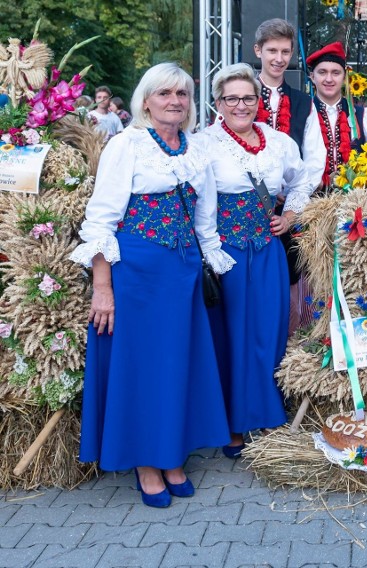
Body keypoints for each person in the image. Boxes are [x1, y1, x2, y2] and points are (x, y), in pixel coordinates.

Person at [70, 63, 233, 508]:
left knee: (176, 365)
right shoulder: (127, 145)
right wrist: (103, 287)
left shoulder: (197, 150)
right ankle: (147, 461)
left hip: (181, 274)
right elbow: (101, 220)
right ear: (145, 101)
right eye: (164, 93)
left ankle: (172, 453)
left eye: (181, 94)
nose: (174, 101)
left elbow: (206, 217)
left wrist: (211, 258)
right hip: (138, 274)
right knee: (143, 368)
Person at [201, 63, 314, 458]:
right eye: (232, 98)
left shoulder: (279, 141)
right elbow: (199, 202)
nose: (241, 105)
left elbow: (302, 182)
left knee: (268, 333)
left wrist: (291, 216)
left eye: (248, 97)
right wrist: (210, 247)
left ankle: (266, 415)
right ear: (219, 103)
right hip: (226, 252)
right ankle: (232, 424)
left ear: (258, 100)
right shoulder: (205, 143)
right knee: (231, 335)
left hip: (267, 251)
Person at [253, 18, 326, 333]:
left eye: (285, 51)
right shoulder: (239, 94)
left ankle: (287, 346)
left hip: (291, 208)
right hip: (247, 206)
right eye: (272, 50)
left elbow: (314, 158)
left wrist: (295, 196)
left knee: (290, 279)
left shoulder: (303, 102)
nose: (279, 58)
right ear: (258, 51)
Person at [306, 41, 367, 188]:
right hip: (310, 202)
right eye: (322, 72)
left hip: (357, 202)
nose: (329, 79)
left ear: (344, 77)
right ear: (312, 77)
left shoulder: (365, 116)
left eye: (336, 73)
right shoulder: (303, 114)